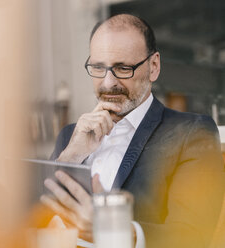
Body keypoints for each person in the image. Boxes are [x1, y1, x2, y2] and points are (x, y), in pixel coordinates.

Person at [41, 14, 225, 248]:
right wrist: (70, 157)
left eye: (123, 68)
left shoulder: (192, 133)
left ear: (153, 67)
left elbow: (193, 236)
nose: (108, 83)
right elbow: (36, 220)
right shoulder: (70, 136)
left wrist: (112, 229)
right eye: (98, 67)